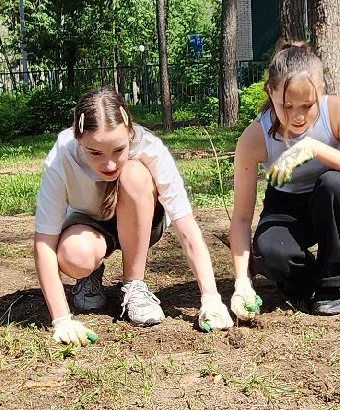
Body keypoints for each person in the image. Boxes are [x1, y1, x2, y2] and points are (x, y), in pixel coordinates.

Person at [33, 89, 234, 344]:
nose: (108, 165)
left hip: (143, 222)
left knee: (134, 175)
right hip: (88, 224)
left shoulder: (149, 147)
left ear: (130, 134)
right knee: (76, 254)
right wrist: (61, 319)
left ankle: (134, 285)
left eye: (118, 150)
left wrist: (211, 297)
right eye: (94, 152)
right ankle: (88, 274)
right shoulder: (61, 157)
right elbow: (44, 243)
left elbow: (186, 227)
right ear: (77, 138)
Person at [227, 43, 340, 318]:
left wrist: (316, 149)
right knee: (270, 256)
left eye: (307, 105)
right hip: (285, 205)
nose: (297, 117)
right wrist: (242, 281)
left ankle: (332, 282)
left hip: (335, 199)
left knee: (333, 184)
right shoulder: (255, 137)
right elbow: (241, 219)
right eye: (286, 106)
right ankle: (310, 275)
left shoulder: (337, 112)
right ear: (270, 92)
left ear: (321, 90)